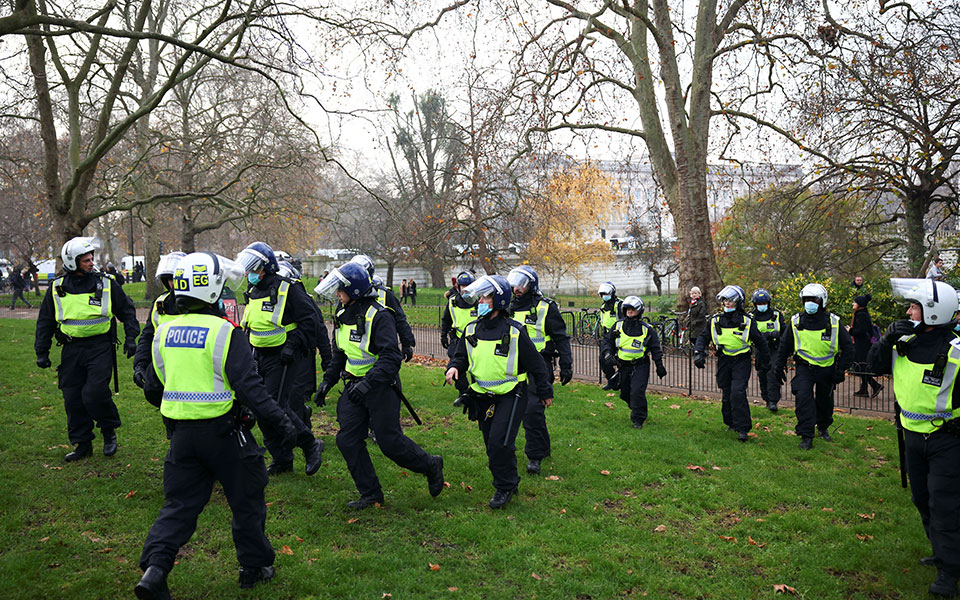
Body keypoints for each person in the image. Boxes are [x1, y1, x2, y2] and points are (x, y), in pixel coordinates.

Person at [134, 251, 300, 598]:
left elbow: (154, 385)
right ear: (211, 290)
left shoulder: (164, 332)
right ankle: (253, 567)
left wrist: (177, 409)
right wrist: (283, 424)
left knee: (178, 506)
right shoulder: (225, 332)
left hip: (181, 436)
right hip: (226, 434)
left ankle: (155, 568)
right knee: (247, 498)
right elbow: (251, 389)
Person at [313, 262, 444, 508]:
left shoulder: (379, 315)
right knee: (347, 440)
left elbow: (391, 358)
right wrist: (328, 381)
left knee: (389, 442)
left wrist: (369, 383)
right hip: (354, 387)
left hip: (381, 387)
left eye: (340, 289)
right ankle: (371, 493)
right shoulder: (342, 315)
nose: (337, 294)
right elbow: (340, 354)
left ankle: (430, 464)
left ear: (354, 291)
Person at [867, 278, 960, 599]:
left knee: (945, 504)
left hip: (947, 438)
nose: (908, 312)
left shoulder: (956, 349)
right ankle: (942, 550)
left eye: (914, 307)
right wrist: (886, 339)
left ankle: (950, 572)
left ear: (934, 313)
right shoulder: (904, 341)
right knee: (922, 499)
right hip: (911, 435)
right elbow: (873, 366)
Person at [444, 275, 553, 508]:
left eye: (485, 297)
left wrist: (545, 392)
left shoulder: (515, 331)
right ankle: (510, 480)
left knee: (499, 442)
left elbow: (536, 365)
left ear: (499, 300)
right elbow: (461, 356)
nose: (480, 301)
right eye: (480, 297)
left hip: (512, 394)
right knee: (492, 443)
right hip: (481, 397)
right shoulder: (472, 328)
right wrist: (454, 367)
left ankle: (504, 487)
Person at [34, 237, 140, 461]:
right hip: (71, 349)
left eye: (92, 259)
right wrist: (41, 351)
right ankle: (83, 444)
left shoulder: (107, 283)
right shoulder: (57, 287)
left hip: (100, 347)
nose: (91, 263)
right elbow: (45, 321)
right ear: (72, 262)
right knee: (72, 398)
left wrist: (131, 337)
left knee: (94, 393)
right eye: (86, 260)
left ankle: (108, 430)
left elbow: (127, 310)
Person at [237, 242, 324, 477]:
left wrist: (293, 345)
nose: (250, 274)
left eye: (254, 269)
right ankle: (282, 458)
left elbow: (311, 321)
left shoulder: (288, 288)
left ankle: (309, 444)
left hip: (283, 356)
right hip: (260, 356)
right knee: (260, 407)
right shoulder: (253, 292)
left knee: (275, 406)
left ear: (266, 268)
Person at [506, 265, 573, 474]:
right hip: (511, 366)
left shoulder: (545, 307)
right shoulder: (506, 307)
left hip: (539, 366)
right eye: (515, 283)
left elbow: (561, 337)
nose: (517, 288)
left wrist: (566, 365)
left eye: (522, 284)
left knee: (532, 410)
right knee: (516, 411)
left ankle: (534, 455)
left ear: (531, 286)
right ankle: (542, 448)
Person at [774, 283, 854, 450]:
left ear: (822, 301)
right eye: (806, 300)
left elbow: (848, 347)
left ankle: (823, 427)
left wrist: (841, 370)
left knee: (825, 401)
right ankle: (806, 435)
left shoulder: (833, 322)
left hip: (827, 368)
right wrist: (778, 367)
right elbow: (785, 345)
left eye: (814, 300)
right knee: (803, 398)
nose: (810, 303)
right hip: (805, 367)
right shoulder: (796, 321)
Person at [693, 285, 769, 442]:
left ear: (738, 303)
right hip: (724, 360)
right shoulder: (715, 320)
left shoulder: (747, 321)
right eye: (725, 300)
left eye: (731, 301)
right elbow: (703, 337)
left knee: (737, 392)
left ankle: (743, 428)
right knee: (727, 393)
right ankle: (731, 423)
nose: (727, 303)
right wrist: (699, 353)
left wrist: (765, 361)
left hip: (741, 360)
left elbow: (760, 342)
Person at [279, 259, 332, 426]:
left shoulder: (303, 301)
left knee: (295, 396)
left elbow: (319, 330)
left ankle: (304, 433)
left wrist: (327, 359)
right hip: (281, 354)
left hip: (302, 354)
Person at [601, 296, 666, 429]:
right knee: (625, 394)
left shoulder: (647, 329)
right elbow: (607, 341)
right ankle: (637, 407)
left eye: (632, 309)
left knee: (637, 391)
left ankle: (638, 419)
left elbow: (655, 348)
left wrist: (659, 366)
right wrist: (608, 353)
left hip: (640, 365)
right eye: (627, 309)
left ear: (639, 310)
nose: (629, 311)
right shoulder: (617, 326)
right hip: (623, 366)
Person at [133, 252, 188, 389]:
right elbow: (147, 336)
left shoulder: (200, 303)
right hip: (164, 368)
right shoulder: (160, 303)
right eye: (169, 279)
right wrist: (140, 364)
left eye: (175, 279)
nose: (172, 284)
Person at [349, 254, 416, 362]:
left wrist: (407, 343)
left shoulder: (385, 294)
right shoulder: (349, 294)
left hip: (384, 340)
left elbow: (400, 319)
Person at [440, 272, 478, 393]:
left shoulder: (479, 302)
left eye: (468, 286)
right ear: (458, 287)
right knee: (456, 367)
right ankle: (464, 393)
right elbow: (446, 319)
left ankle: (477, 392)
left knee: (477, 369)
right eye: (463, 286)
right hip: (457, 339)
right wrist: (443, 335)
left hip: (476, 341)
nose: (466, 289)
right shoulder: (452, 302)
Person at [750, 288, 785, 412]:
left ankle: (773, 401)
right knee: (762, 374)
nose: (762, 306)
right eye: (759, 304)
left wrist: (777, 336)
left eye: (764, 303)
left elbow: (784, 332)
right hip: (760, 350)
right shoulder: (751, 317)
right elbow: (751, 334)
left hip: (774, 348)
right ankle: (766, 398)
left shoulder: (776, 315)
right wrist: (767, 335)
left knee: (773, 373)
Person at [848, 294, 882, 398]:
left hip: (862, 345)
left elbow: (862, 331)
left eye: (855, 302)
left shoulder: (861, 315)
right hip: (863, 344)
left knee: (861, 366)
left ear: (859, 304)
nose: (853, 304)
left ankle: (875, 385)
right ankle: (864, 389)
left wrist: (850, 330)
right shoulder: (862, 313)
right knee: (862, 366)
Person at [597, 281, 624, 390]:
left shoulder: (619, 305)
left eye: (606, 294)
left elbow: (624, 320)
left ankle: (622, 381)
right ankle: (611, 380)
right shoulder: (604, 306)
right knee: (603, 359)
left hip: (620, 336)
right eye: (602, 294)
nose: (604, 296)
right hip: (607, 337)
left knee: (621, 360)